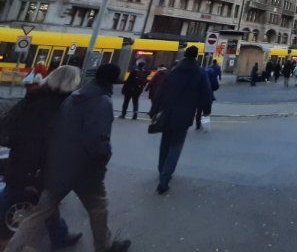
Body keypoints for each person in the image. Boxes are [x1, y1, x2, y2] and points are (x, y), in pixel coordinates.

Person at [5, 63, 131, 252]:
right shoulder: (101, 101)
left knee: (39, 212)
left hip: (58, 166)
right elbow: (98, 140)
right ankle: (103, 246)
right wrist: (102, 162)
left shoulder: (73, 98)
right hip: (84, 169)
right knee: (98, 207)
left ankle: (13, 248)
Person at [0, 66, 83, 250]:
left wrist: (17, 143)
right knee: (46, 201)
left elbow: (7, 124)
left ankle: (60, 235)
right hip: (45, 163)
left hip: (21, 158)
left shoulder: (33, 98)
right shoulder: (66, 106)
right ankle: (59, 237)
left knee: (20, 195)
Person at [149, 46, 212, 194]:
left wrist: (154, 109)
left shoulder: (174, 70)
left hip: (168, 110)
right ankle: (165, 178)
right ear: (196, 56)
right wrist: (206, 111)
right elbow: (206, 94)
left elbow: (161, 90)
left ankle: (161, 169)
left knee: (165, 142)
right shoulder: (200, 72)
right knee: (176, 146)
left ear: (184, 55)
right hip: (185, 113)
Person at [196, 61, 221, 131]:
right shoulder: (212, 74)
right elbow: (216, 86)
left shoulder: (200, 73)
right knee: (206, 112)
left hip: (199, 95)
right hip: (209, 95)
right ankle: (205, 127)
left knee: (199, 110)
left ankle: (198, 126)